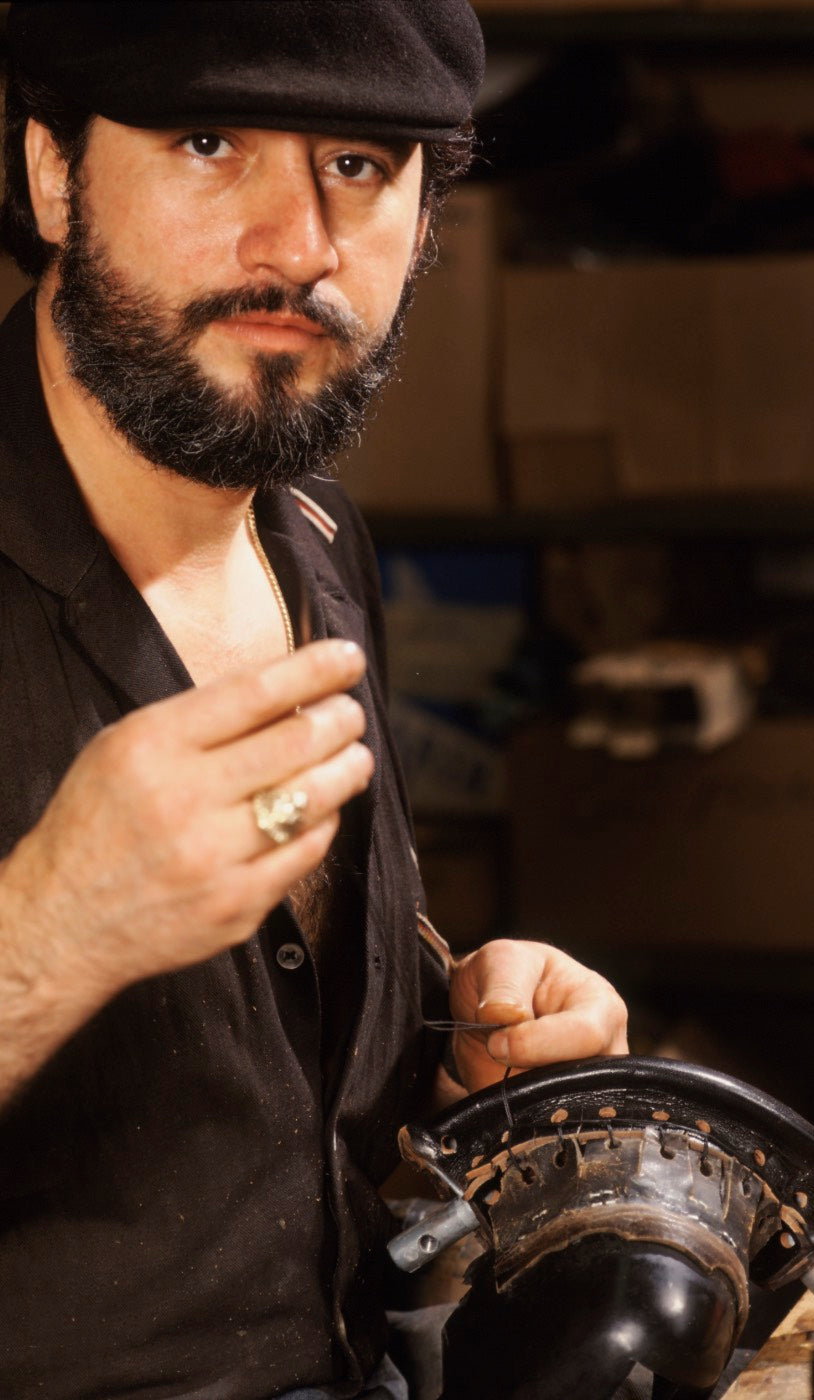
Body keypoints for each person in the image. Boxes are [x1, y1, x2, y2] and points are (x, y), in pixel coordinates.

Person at [0, 3, 628, 1397]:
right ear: (52, 173)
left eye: (360, 165)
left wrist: (462, 1029)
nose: (296, 244)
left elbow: (256, 1081)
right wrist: (43, 934)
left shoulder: (314, 539)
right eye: (211, 143)